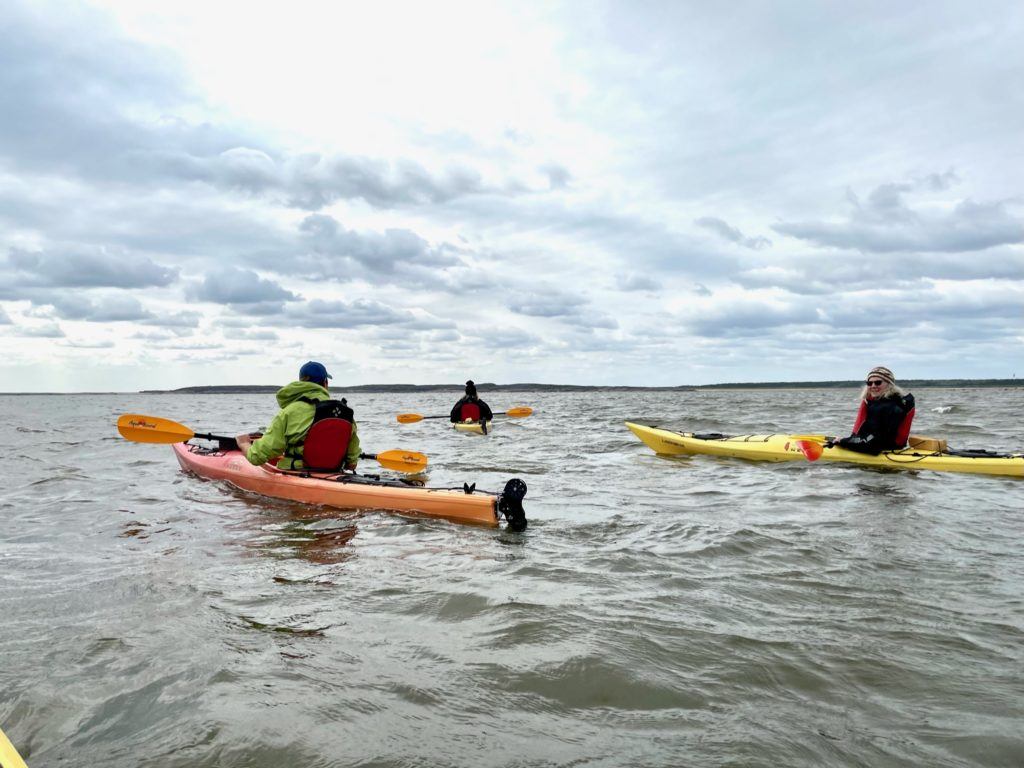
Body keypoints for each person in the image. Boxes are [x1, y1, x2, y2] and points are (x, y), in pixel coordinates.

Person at [235, 361, 361, 471]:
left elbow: (256, 457)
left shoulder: (289, 412)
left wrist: (244, 444)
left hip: (297, 471)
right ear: (325, 383)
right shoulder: (345, 413)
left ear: (301, 383)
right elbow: (352, 464)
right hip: (334, 473)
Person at [829, 366, 915, 455]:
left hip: (878, 447)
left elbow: (873, 441)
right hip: (878, 444)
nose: (873, 386)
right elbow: (872, 437)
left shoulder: (890, 407)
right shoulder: (883, 402)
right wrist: (847, 440)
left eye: (878, 382)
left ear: (889, 384)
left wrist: (843, 441)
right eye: (869, 383)